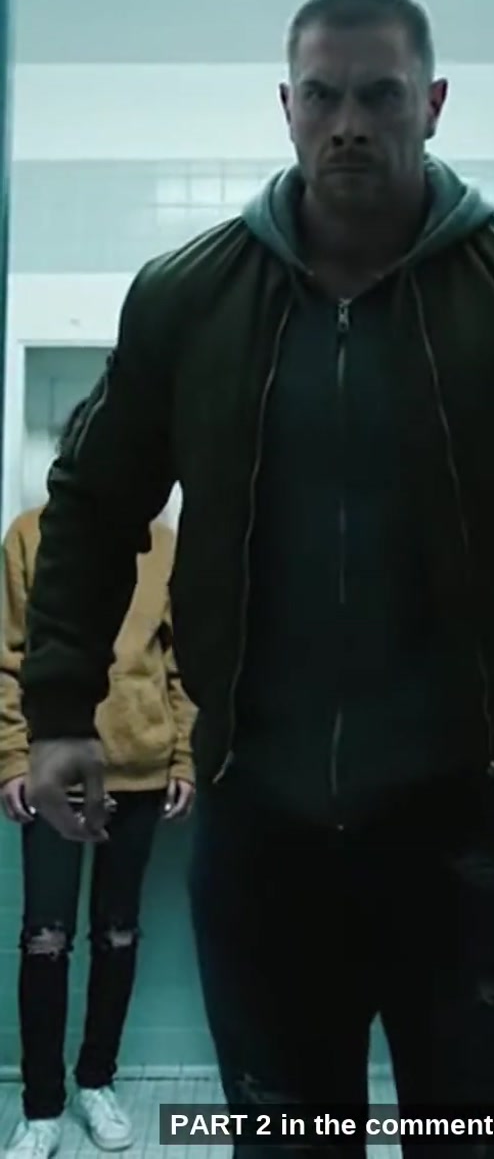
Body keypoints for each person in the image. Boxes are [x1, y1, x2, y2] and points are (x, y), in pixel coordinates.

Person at [16, 0, 494, 1158]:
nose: (350, 123)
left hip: (478, 825)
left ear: (432, 104)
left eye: (380, 96)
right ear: (286, 106)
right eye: (325, 95)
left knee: (487, 1139)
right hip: (264, 827)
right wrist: (59, 712)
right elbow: (89, 510)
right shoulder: (189, 300)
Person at [0, 456, 196, 1158]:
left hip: (140, 769)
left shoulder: (164, 547)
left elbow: (181, 664)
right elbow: (8, 657)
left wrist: (184, 757)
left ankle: (97, 1081)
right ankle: (41, 1109)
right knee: (44, 938)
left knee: (117, 933)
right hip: (55, 770)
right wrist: (13, 758)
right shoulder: (29, 535)